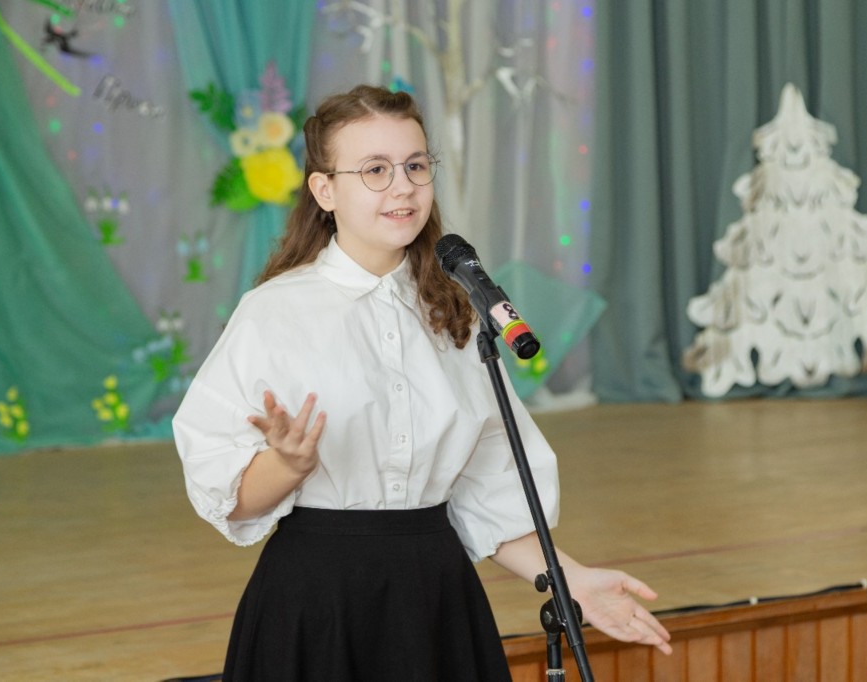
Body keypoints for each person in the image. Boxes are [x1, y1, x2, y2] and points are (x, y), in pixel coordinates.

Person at [173, 84, 671, 681]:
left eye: (414, 165)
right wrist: (287, 464)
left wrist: (573, 582)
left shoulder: (455, 309)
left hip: (436, 599)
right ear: (325, 190)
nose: (403, 186)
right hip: (316, 603)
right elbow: (227, 494)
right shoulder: (274, 313)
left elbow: (487, 488)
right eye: (375, 170)